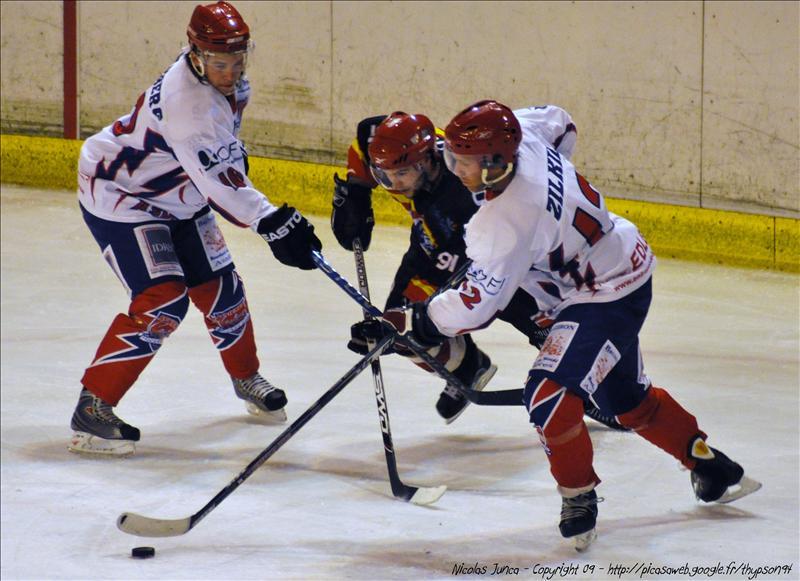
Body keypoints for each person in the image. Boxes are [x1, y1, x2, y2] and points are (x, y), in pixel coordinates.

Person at [365, 100, 761, 551]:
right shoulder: (525, 134)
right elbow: (561, 121)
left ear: (495, 162)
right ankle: (713, 467)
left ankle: (578, 496)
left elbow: (476, 308)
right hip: (618, 259)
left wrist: (416, 318)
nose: (456, 170)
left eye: (465, 163)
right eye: (453, 158)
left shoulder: (504, 221)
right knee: (624, 401)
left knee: (548, 394)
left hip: (603, 291)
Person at [70, 1, 322, 457]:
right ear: (197, 55)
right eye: (220, 63)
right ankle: (93, 406)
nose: (231, 72)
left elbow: (216, 162)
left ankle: (246, 377)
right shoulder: (189, 106)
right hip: (124, 196)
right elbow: (219, 182)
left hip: (178, 191)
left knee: (223, 288)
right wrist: (272, 222)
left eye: (237, 60)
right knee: (163, 299)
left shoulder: (217, 79)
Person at [330, 110, 627, 431]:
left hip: (518, 262)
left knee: (546, 328)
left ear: (425, 162)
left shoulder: (466, 207)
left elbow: (465, 294)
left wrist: (405, 324)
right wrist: (357, 188)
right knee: (401, 330)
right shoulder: (427, 147)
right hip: (447, 241)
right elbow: (366, 137)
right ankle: (466, 366)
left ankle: (614, 392)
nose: (394, 185)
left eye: (401, 174)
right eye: (384, 176)